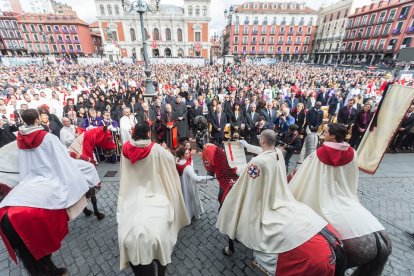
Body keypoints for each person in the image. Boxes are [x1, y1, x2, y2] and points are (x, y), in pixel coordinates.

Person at [216, 130, 341, 274]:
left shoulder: (256, 162)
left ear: (262, 140)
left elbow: (248, 176)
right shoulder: (278, 152)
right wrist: (247, 146)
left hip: (263, 197)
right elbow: (264, 153)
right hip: (278, 193)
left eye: (260, 140)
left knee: (232, 205)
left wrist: (237, 169)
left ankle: (235, 231)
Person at [0, 109, 97, 275]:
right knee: (88, 169)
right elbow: (63, 159)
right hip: (50, 175)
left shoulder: (20, 139)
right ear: (37, 119)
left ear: (24, 121)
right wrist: (85, 161)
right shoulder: (48, 137)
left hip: (31, 176)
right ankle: (87, 194)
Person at [289, 123, 390, 274]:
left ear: (333, 136)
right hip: (343, 195)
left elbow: (306, 175)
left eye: (326, 132)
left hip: (322, 197)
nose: (324, 134)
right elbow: (351, 178)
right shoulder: (353, 153)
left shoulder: (319, 153)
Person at [117, 122, 189, 276]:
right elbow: (171, 161)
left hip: (132, 195)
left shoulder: (125, 148)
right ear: (149, 134)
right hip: (155, 195)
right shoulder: (157, 150)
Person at [175, 146, 214, 220]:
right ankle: (191, 214)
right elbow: (196, 178)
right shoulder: (187, 167)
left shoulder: (177, 161)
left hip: (181, 184)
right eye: (186, 154)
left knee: (184, 199)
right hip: (189, 186)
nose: (189, 154)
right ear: (182, 155)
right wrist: (207, 178)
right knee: (190, 200)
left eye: (189, 152)